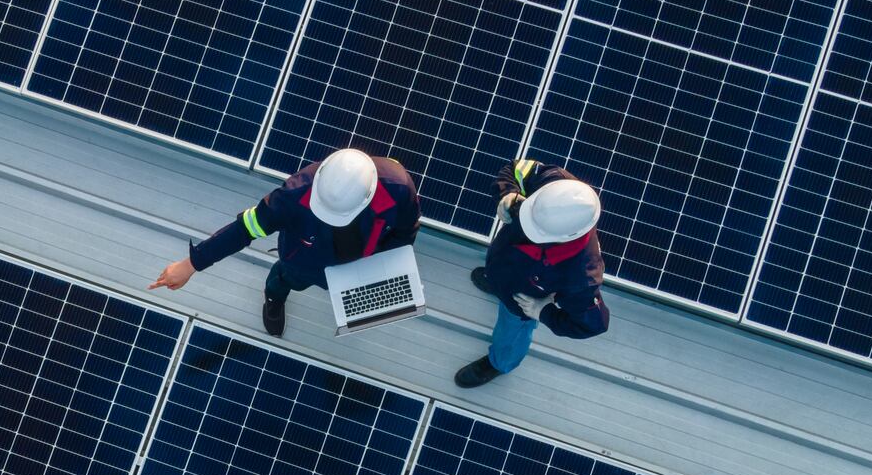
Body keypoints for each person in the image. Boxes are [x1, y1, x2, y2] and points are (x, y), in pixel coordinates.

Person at [149, 148, 421, 336]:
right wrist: (191, 264)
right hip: (302, 260)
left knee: (345, 295)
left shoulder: (398, 186)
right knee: (285, 278)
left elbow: (406, 230)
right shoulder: (291, 196)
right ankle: (274, 298)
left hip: (359, 265)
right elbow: (244, 230)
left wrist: (383, 269)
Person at [456, 158, 608, 387]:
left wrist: (543, 311)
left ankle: (501, 362)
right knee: (500, 280)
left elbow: (594, 324)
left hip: (520, 303)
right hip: (503, 266)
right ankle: (497, 285)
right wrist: (508, 193)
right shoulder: (557, 184)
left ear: (562, 237)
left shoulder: (581, 276)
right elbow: (517, 168)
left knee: (512, 331)